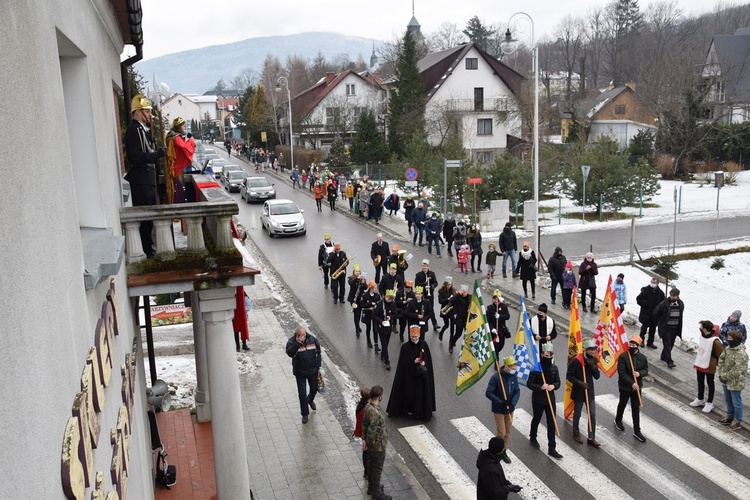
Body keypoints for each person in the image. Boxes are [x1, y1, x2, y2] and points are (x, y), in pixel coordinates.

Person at [125, 94, 166, 258]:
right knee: (145, 218)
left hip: (148, 178)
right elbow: (135, 156)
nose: (150, 115)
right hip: (141, 179)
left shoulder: (144, 130)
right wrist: (156, 155)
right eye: (147, 112)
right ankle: (147, 249)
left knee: (149, 217)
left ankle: (149, 247)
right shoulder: (134, 130)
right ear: (138, 112)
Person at [387, 325, 436, 421]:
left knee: (420, 394)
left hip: (421, 376)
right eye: (412, 337)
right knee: (410, 393)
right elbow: (402, 363)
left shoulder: (424, 344)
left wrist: (424, 362)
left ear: (419, 335)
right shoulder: (405, 347)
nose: (414, 339)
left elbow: (428, 358)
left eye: (415, 337)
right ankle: (408, 410)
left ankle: (420, 412)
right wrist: (413, 362)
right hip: (409, 376)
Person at [527, 343, 563, 459]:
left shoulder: (554, 368)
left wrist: (554, 386)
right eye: (546, 355)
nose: (548, 358)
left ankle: (552, 448)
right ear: (542, 355)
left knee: (551, 423)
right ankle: (533, 436)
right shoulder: (536, 368)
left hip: (550, 399)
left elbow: (558, 382)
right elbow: (530, 383)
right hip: (538, 399)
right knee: (537, 418)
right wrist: (540, 387)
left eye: (550, 356)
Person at [485, 357, 520, 464]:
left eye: (515, 366)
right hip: (499, 410)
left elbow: (517, 391)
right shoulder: (496, 378)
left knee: (508, 432)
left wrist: (512, 403)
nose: (513, 369)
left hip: (510, 409)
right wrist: (501, 402)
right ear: (506, 367)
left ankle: (503, 450)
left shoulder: (513, 377)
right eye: (511, 367)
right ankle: (494, 451)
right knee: (502, 432)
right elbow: (488, 393)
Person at [567, 339, 601, 447]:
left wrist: (593, 366)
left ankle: (591, 437)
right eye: (590, 350)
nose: (592, 352)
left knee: (592, 414)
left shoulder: (594, 360)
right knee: (577, 414)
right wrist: (579, 383)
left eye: (594, 350)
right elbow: (569, 376)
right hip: (579, 391)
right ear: (585, 350)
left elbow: (597, 376)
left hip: (589, 392)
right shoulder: (576, 361)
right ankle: (576, 433)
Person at [614, 335, 648, 442]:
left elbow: (646, 370)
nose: (632, 346)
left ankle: (637, 430)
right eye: (631, 344)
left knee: (635, 408)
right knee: (622, 403)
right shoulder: (623, 356)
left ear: (638, 346)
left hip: (637, 387)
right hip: (625, 386)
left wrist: (639, 373)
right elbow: (622, 373)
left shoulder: (643, 358)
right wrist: (631, 383)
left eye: (634, 345)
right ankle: (618, 420)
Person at [285, 326, 322, 424]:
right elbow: (290, 353)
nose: (303, 337)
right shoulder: (292, 342)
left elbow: (318, 352)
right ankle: (305, 414)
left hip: (312, 371)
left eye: (304, 335)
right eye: (301, 335)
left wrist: (318, 366)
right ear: (297, 335)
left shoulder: (312, 339)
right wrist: (297, 344)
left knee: (314, 389)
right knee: (302, 394)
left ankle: (310, 400)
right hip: (300, 372)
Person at [362, 385, 392, 500]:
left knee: (371, 466)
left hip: (371, 445)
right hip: (377, 446)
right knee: (377, 469)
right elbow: (372, 431)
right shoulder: (376, 413)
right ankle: (377, 493)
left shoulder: (368, 407)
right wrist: (376, 443)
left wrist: (364, 440)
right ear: (379, 397)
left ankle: (372, 487)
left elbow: (364, 423)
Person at [717, 330, 748, 431]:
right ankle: (730, 417)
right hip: (725, 379)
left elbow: (737, 370)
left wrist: (724, 376)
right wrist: (721, 372)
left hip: (735, 382)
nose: (727, 340)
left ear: (736, 340)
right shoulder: (728, 348)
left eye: (730, 338)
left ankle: (738, 421)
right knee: (728, 399)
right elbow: (721, 359)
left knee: (736, 402)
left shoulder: (741, 354)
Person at [690, 320, 723, 413]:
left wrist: (717, 364)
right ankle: (700, 398)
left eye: (701, 326)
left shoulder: (715, 341)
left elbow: (720, 354)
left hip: (709, 365)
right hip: (700, 363)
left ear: (705, 328)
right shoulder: (702, 336)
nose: (700, 328)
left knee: (710, 383)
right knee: (700, 381)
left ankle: (709, 402)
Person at [164, 117, 195, 205]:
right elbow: (184, 148)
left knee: (178, 190)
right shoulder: (176, 137)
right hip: (175, 168)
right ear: (179, 127)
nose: (185, 128)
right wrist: (191, 142)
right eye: (183, 126)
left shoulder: (172, 136)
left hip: (174, 168)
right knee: (178, 192)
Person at [654, 287, 684, 369]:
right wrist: (659, 323)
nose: (672, 297)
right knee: (667, 344)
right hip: (666, 327)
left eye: (674, 296)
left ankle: (664, 356)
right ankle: (669, 361)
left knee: (671, 344)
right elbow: (657, 312)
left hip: (675, 327)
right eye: (671, 295)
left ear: (678, 296)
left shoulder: (680, 304)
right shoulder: (664, 303)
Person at [636, 277, 665, 349]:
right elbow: (639, 299)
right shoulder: (645, 290)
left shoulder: (660, 293)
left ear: (658, 283)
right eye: (652, 282)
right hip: (646, 313)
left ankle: (650, 342)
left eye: (654, 283)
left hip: (655, 315)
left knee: (653, 329)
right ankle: (641, 340)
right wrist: (646, 304)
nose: (652, 284)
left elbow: (663, 303)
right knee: (644, 328)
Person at [373, 289, 397, 369]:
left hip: (388, 327)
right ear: (385, 296)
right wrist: (381, 322)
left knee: (386, 343)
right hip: (381, 327)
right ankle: (387, 361)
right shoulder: (379, 304)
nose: (389, 299)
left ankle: (383, 355)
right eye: (388, 298)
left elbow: (395, 314)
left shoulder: (393, 304)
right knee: (384, 344)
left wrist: (390, 317)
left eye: (391, 298)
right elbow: (374, 315)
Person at [414, 259, 439, 331]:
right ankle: (422, 322)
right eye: (423, 266)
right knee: (421, 309)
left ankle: (434, 323)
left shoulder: (432, 274)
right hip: (422, 294)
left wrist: (432, 286)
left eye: (426, 266)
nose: (424, 267)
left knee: (431, 309)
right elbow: (416, 285)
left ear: (428, 266)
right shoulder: (418, 275)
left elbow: (435, 283)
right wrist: (424, 284)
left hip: (430, 294)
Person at [353, 386, 371, 479]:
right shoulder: (365, 410)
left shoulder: (361, 405)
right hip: (365, 434)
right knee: (367, 453)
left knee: (366, 452)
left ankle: (366, 471)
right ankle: (367, 472)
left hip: (362, 432)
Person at [486, 290, 511, 356]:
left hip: (501, 331)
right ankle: (496, 360)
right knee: (496, 346)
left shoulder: (504, 306)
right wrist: (492, 329)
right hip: (494, 331)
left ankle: (495, 353)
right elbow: (487, 320)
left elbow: (507, 316)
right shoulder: (490, 308)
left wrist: (500, 316)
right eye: (494, 299)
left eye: (497, 299)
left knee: (501, 345)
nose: (495, 300)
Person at [447, 284, 470, 354]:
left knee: (468, 335)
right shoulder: (458, 297)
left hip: (467, 319)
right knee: (458, 334)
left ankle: (467, 350)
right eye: (462, 292)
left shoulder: (470, 297)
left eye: (465, 292)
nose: (463, 293)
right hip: (459, 318)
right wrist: (458, 294)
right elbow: (451, 300)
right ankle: (451, 344)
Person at [348, 264, 367, 338]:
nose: (358, 273)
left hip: (360, 299)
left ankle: (358, 325)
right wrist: (357, 278)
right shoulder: (350, 278)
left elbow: (365, 288)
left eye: (359, 271)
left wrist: (363, 282)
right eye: (356, 271)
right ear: (354, 272)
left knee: (359, 314)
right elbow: (351, 283)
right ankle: (357, 329)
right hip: (353, 299)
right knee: (356, 314)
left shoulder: (362, 278)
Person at [361, 282, 382, 349]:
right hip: (368, 313)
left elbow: (380, 304)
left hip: (375, 314)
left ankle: (376, 344)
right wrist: (369, 304)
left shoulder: (377, 296)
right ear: (371, 288)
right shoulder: (365, 295)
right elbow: (362, 305)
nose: (376, 289)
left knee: (375, 329)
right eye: (375, 288)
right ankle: (368, 340)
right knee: (368, 327)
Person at [437, 277, 456, 342]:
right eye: (447, 285)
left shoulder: (453, 290)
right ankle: (441, 333)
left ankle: (451, 339)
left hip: (451, 310)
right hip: (445, 309)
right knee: (446, 325)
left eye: (450, 285)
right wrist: (447, 299)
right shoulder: (441, 291)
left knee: (452, 325)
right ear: (445, 284)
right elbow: (440, 301)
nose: (449, 286)